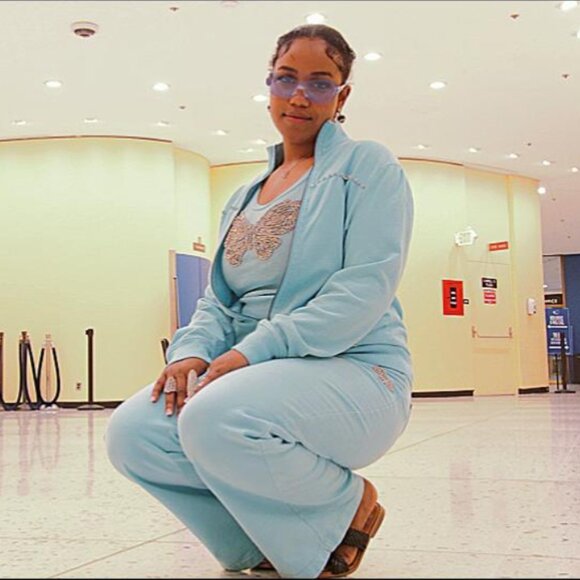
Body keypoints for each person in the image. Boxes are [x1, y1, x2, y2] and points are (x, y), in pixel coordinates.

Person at [106, 23, 414, 579]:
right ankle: (256, 543)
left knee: (216, 415)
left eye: (320, 83)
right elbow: (219, 301)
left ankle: (345, 505)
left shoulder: (367, 167)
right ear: (269, 85)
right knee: (135, 434)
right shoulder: (243, 196)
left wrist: (251, 352)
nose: (299, 95)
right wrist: (191, 352)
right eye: (286, 78)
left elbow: (364, 288)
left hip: (356, 370)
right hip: (257, 376)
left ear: (342, 95)